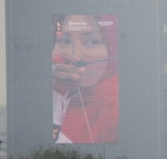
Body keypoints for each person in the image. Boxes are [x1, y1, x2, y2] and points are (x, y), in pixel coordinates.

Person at [51, 14, 119, 144]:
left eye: (92, 42)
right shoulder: (52, 87)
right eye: (64, 41)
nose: (76, 55)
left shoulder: (115, 100)